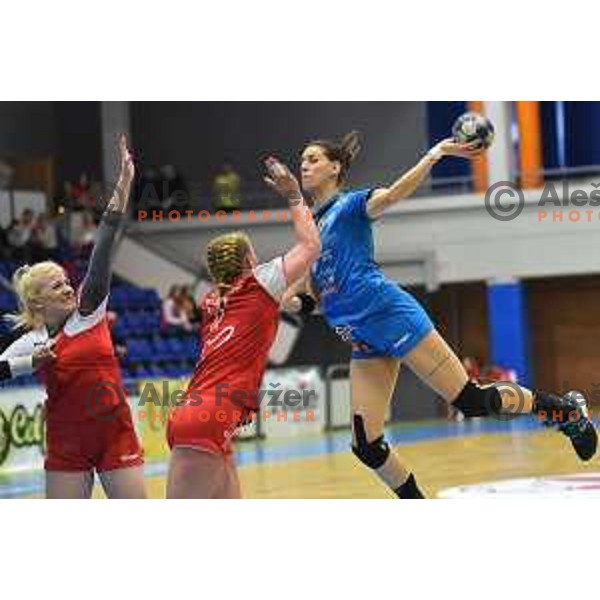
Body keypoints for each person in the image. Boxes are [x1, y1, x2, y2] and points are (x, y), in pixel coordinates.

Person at [284, 131, 597, 499]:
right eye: (302, 159)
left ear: (335, 167)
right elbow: (310, 295)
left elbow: (394, 194)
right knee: (366, 446)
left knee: (471, 401)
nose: (305, 165)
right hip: (360, 337)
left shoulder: (351, 206)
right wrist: (282, 299)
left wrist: (434, 155)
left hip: (390, 315)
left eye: (314, 159)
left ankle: (565, 412)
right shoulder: (311, 230)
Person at [0, 135, 146, 499]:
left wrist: (124, 184)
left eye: (66, 281)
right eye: (56, 287)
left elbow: (104, 244)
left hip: (116, 437)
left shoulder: (89, 312)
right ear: (36, 304)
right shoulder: (33, 341)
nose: (68, 288)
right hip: (67, 446)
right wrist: (26, 363)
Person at [166, 157, 320, 498]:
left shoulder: (212, 301)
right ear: (250, 262)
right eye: (254, 254)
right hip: (207, 417)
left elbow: (262, 315)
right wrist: (295, 196)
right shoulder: (258, 284)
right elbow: (311, 246)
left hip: (206, 414)